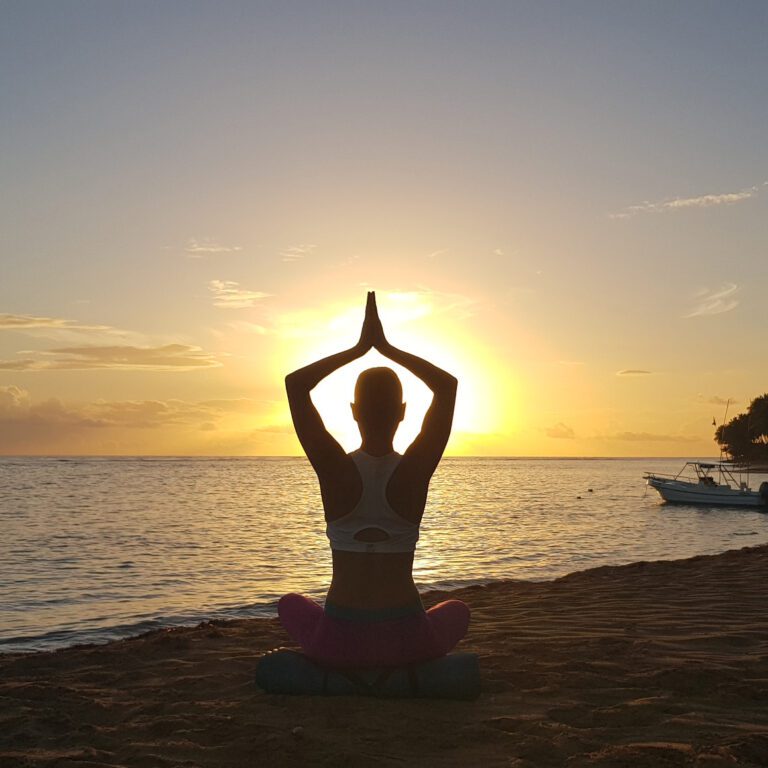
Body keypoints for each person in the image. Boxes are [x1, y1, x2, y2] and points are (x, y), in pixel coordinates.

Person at [278, 292, 470, 668]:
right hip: (407, 639)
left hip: (338, 640)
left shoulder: (335, 470)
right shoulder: (413, 472)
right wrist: (386, 347)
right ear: (402, 412)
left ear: (353, 412)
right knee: (457, 610)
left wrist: (359, 348)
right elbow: (446, 387)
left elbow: (295, 385)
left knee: (290, 604)